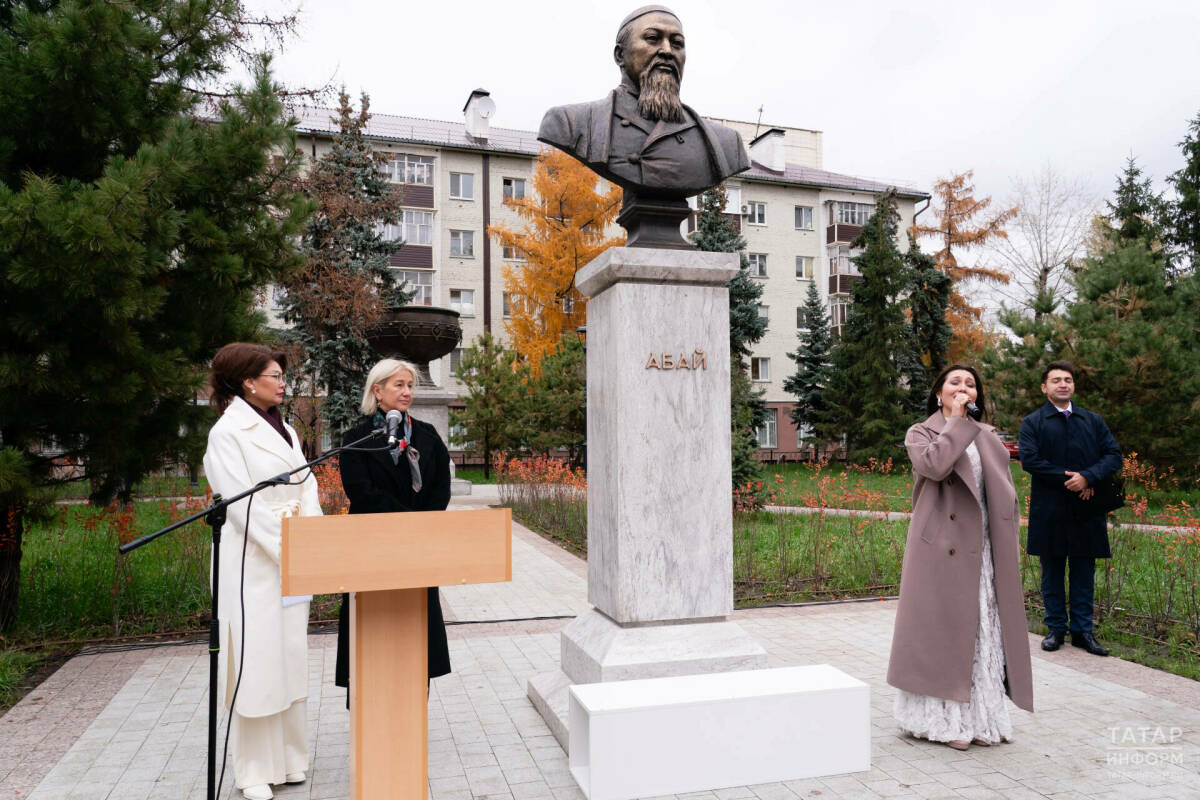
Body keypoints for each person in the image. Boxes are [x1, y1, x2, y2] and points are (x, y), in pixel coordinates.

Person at [888, 365, 1034, 750]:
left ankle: (981, 718)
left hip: (984, 548)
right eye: (955, 382)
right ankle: (945, 722)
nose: (963, 388)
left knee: (982, 632)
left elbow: (1002, 490)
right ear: (939, 393)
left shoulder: (988, 436)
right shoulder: (921, 432)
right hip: (941, 550)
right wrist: (954, 422)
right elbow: (934, 466)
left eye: (970, 384)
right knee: (947, 636)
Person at [203, 343, 320, 800]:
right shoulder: (227, 433)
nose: (282, 382)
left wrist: (310, 540)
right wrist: (287, 546)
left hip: (294, 557)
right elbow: (241, 506)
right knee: (256, 663)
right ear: (248, 381)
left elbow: (307, 484)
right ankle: (252, 770)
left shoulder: (287, 428)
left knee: (289, 658)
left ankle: (290, 759)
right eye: (275, 375)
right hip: (254, 562)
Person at [537, 5, 749, 199]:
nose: (667, 50)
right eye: (652, 38)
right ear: (620, 55)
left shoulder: (727, 144)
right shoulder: (569, 123)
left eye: (677, 43)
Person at [335, 359, 452, 704]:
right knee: (371, 634)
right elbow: (360, 490)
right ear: (377, 390)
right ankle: (369, 707)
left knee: (416, 632)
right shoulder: (357, 438)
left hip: (417, 552)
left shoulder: (427, 435)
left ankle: (413, 705)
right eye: (398, 385)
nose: (406, 392)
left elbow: (440, 488)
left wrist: (418, 527)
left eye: (410, 386)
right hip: (371, 551)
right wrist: (405, 523)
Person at [1019, 360, 1122, 657]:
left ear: (1073, 385)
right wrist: (1072, 479)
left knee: (1083, 570)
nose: (1062, 384)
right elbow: (1030, 460)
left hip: (1086, 508)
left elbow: (1113, 454)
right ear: (1044, 387)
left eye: (1067, 379)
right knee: (1051, 569)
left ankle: (1082, 631)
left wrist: (1088, 477)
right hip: (1049, 507)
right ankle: (1055, 629)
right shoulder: (1033, 423)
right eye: (1055, 380)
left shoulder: (1092, 420)